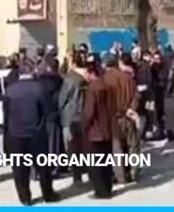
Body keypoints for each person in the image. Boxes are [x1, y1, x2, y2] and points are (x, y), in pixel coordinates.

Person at [4, 64, 60, 206]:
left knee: (19, 169)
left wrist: (7, 134)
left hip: (16, 134)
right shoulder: (39, 88)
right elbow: (48, 111)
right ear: (32, 72)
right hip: (37, 133)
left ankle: (25, 198)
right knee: (43, 167)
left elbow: (6, 115)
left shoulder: (10, 90)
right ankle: (48, 194)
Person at [103, 54, 140, 183]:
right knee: (132, 145)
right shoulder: (128, 78)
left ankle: (121, 176)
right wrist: (131, 110)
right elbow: (136, 96)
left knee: (116, 148)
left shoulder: (104, 80)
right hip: (129, 117)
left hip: (113, 118)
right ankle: (134, 171)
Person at [83, 62, 115, 199]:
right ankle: (108, 188)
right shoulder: (107, 86)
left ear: (91, 73)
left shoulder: (92, 88)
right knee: (106, 161)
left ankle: (100, 191)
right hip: (107, 128)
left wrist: (84, 125)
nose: (85, 76)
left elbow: (89, 111)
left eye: (86, 73)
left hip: (95, 131)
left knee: (94, 163)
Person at [58, 51, 89, 185]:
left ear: (73, 63)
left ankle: (77, 177)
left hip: (71, 117)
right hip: (85, 114)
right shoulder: (88, 76)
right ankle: (89, 172)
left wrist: (60, 110)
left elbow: (63, 99)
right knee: (85, 146)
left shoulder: (70, 79)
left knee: (73, 148)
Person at [38, 58, 65, 177]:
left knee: (43, 144)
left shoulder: (39, 82)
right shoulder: (60, 81)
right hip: (55, 114)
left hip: (42, 115)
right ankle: (56, 167)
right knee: (55, 143)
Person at [150, 50, 167, 137]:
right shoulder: (151, 69)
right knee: (157, 113)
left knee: (162, 112)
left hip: (162, 92)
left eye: (158, 59)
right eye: (155, 59)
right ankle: (160, 131)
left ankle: (163, 130)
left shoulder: (164, 68)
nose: (157, 61)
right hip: (155, 93)